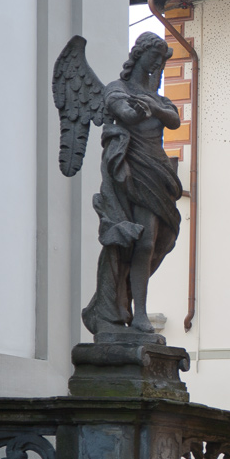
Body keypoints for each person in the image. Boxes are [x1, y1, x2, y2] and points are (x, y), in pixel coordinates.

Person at [84, 33, 183, 336]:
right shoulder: (119, 88)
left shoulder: (157, 98)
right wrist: (137, 109)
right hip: (130, 170)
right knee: (140, 240)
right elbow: (122, 112)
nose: (156, 65)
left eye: (160, 61)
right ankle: (136, 313)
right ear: (139, 56)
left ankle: (125, 305)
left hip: (158, 171)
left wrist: (152, 107)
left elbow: (174, 119)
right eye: (153, 58)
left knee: (155, 241)